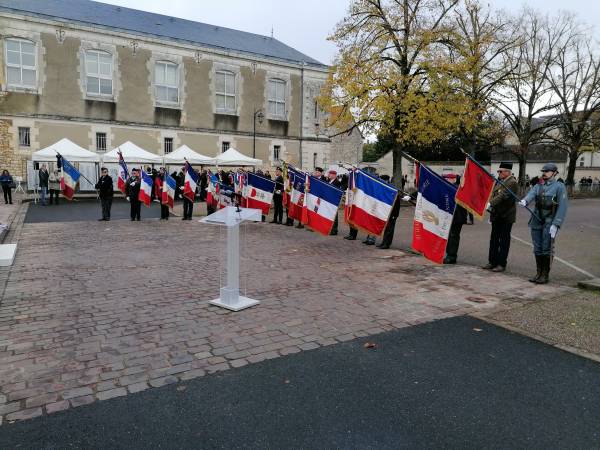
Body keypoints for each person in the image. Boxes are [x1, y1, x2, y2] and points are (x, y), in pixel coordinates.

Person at [519, 163, 568, 284]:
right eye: (544, 171)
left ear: (554, 173)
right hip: (536, 220)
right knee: (537, 248)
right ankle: (538, 273)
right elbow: (531, 194)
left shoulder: (559, 187)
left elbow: (563, 206)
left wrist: (556, 224)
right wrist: (525, 200)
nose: (544, 173)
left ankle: (545, 275)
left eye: (547, 171)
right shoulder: (538, 185)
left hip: (549, 222)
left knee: (547, 248)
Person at [482, 162, 518, 272]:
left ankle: (501, 263)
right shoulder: (500, 181)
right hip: (497, 214)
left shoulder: (512, 182)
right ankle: (492, 261)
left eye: (500, 171)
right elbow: (494, 194)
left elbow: (503, 196)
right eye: (499, 171)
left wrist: (490, 203)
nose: (499, 173)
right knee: (494, 239)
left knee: (503, 240)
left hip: (506, 216)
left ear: (508, 172)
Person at [443, 174, 467, 263]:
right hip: (452, 216)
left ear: (453, 179)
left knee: (453, 236)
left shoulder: (456, 188)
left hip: (457, 217)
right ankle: (450, 255)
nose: (446, 180)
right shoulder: (453, 187)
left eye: (447, 179)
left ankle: (452, 256)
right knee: (452, 236)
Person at [327, 169, 343, 235]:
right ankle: (330, 228)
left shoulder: (337, 182)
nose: (328, 175)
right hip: (328, 200)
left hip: (334, 201)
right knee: (330, 215)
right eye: (329, 174)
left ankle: (334, 230)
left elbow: (337, 192)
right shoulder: (329, 181)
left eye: (330, 174)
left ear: (334, 175)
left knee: (334, 216)